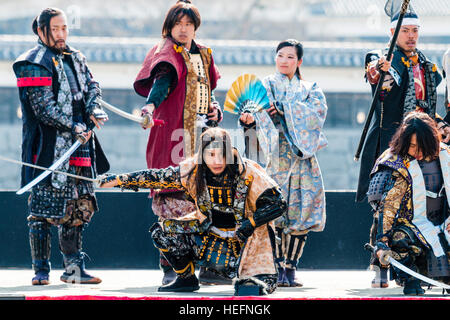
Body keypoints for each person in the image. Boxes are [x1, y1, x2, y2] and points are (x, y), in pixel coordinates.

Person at [98, 127, 287, 295]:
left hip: (247, 242)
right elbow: (157, 177)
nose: (217, 161)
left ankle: (250, 277)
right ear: (202, 155)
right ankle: (185, 278)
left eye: (221, 154)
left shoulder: (248, 172)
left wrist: (251, 223)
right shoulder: (193, 170)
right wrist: (118, 180)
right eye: (211, 155)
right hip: (210, 236)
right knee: (164, 231)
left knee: (250, 289)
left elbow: (279, 203)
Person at [12, 8, 110, 285]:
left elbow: (92, 85)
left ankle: (73, 270)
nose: (61, 34)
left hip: (80, 144)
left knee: (79, 205)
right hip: (46, 146)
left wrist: (93, 107)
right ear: (41, 31)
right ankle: (41, 270)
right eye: (55, 29)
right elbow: (43, 108)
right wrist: (73, 126)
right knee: (42, 208)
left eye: (64, 28)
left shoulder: (76, 57)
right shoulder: (31, 62)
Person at [355, 7, 449, 287]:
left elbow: (429, 105)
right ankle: (380, 266)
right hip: (394, 142)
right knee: (385, 203)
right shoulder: (385, 59)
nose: (410, 36)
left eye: (415, 31)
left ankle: (425, 266)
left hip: (424, 143)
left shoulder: (428, 65)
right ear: (393, 32)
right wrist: (378, 70)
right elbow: (379, 77)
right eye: (405, 31)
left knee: (424, 205)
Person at [132, 0, 223, 285]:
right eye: (178, 24)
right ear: (169, 27)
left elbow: (206, 91)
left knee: (207, 201)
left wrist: (214, 109)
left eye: (188, 24)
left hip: (202, 142)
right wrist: (149, 108)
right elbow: (162, 82)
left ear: (196, 27)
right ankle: (173, 267)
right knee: (172, 198)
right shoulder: (166, 53)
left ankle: (208, 265)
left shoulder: (205, 55)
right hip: (173, 136)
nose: (183, 30)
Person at [239, 39, 327, 287]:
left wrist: (285, 109)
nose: (284, 60)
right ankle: (275, 267)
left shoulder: (311, 89)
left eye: (290, 57)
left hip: (302, 158)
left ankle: (291, 268)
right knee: (273, 211)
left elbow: (317, 115)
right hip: (273, 159)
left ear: (299, 61)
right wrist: (248, 120)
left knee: (302, 212)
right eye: (280, 55)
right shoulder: (263, 86)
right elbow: (252, 115)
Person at [367, 111, 450, 295]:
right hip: (409, 226)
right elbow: (388, 207)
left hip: (443, 223)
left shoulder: (446, 155)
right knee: (399, 238)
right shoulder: (395, 162)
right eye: (412, 146)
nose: (417, 152)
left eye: (421, 146)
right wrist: (382, 243)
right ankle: (410, 278)